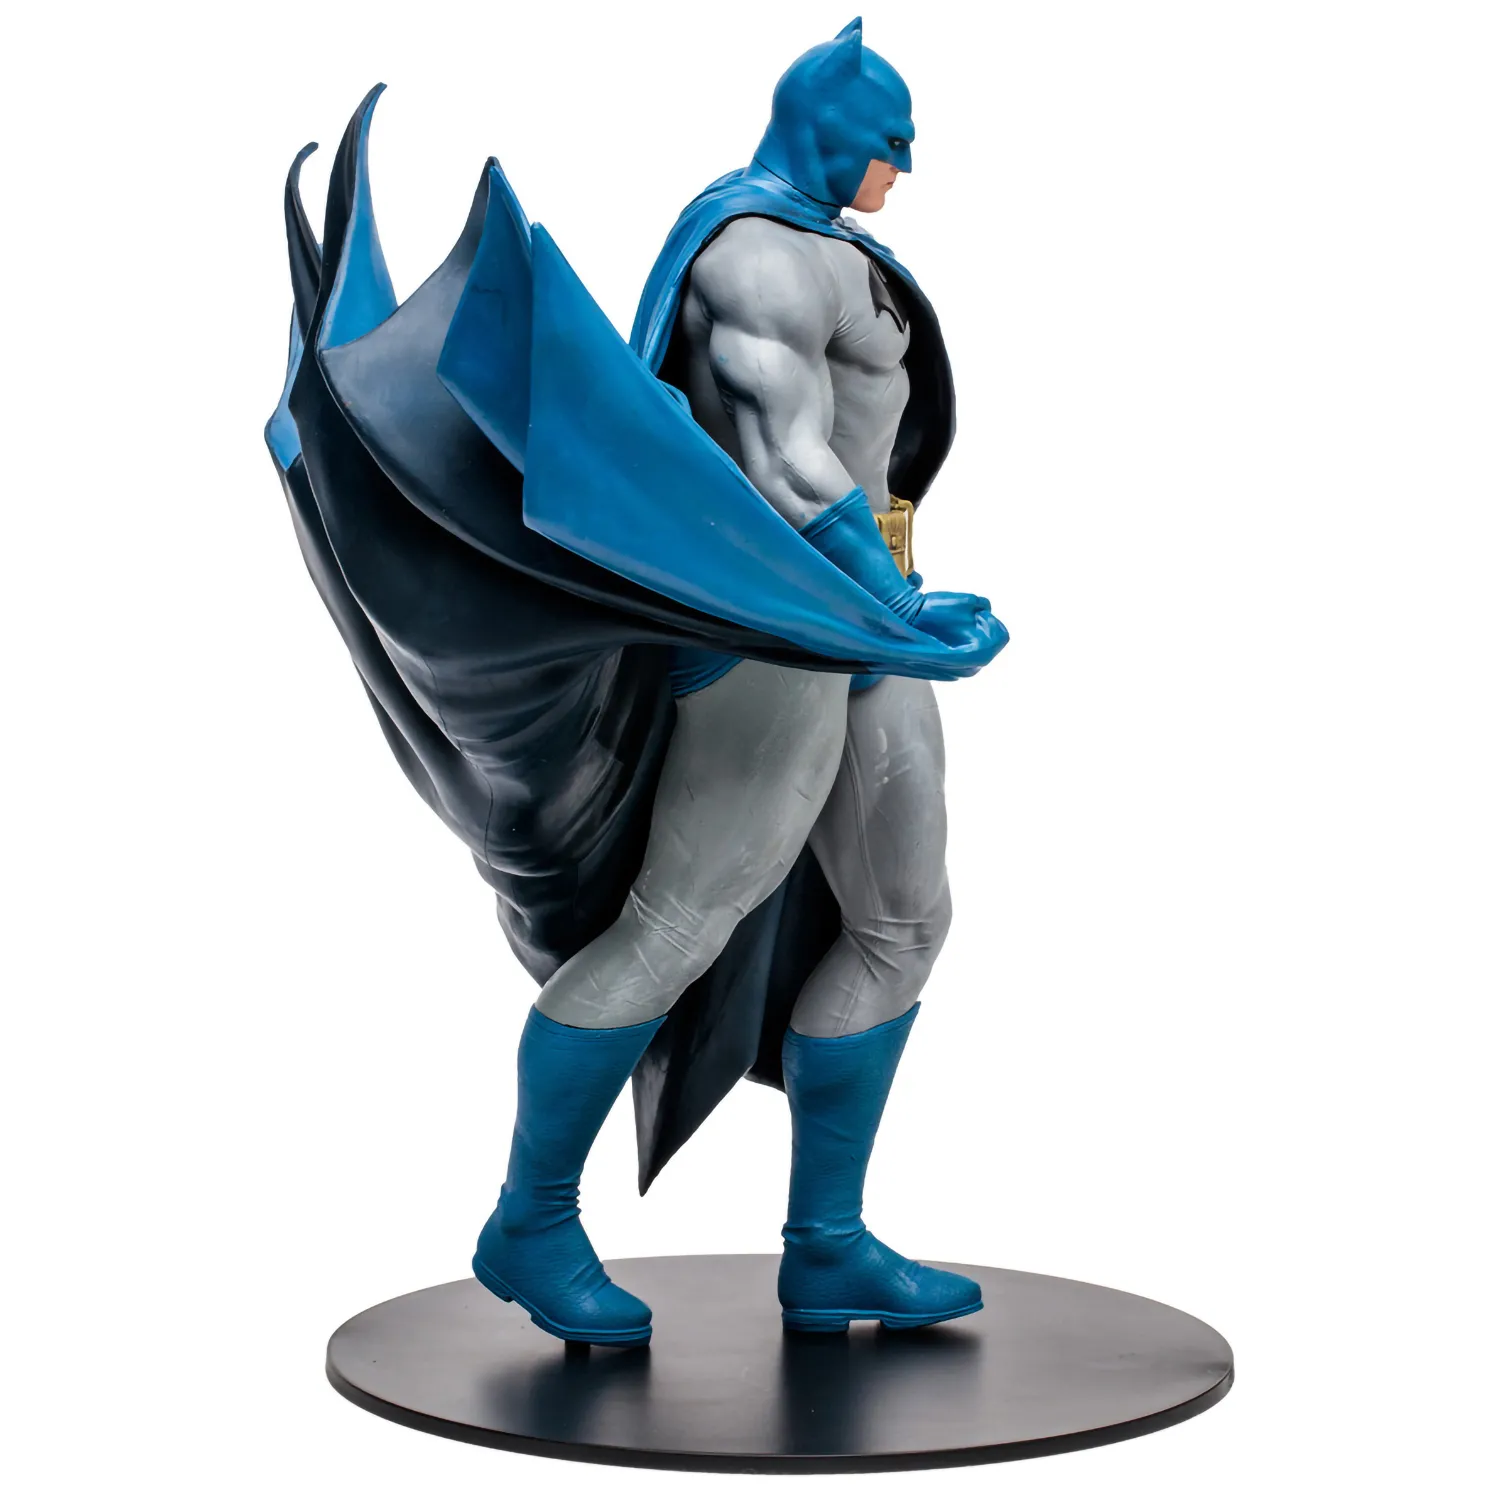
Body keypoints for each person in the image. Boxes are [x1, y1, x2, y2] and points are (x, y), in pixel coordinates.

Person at [471, 20, 1004, 1344]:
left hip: (861, 616)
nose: (903, 169)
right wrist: (897, 607)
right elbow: (784, 461)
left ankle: (826, 1249)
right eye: (891, 143)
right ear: (831, 126)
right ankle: (528, 1222)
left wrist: (898, 604)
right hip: (770, 617)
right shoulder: (750, 253)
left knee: (905, 920)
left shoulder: (832, 246)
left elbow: (867, 458)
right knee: (676, 922)